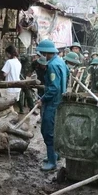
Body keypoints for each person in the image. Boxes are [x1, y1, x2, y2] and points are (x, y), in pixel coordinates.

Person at [36, 39, 68, 171]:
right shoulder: (61, 62)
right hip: (60, 101)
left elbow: (53, 88)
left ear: (46, 53)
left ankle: (52, 161)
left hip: (53, 102)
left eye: (42, 53)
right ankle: (55, 154)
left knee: (47, 131)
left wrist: (42, 99)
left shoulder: (52, 66)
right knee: (56, 129)